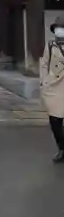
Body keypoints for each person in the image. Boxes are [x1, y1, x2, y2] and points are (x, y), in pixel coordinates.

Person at [40, 15, 64, 163]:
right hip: (54, 85)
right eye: (57, 28)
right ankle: (61, 147)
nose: (59, 31)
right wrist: (44, 81)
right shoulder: (50, 45)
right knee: (55, 119)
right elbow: (44, 63)